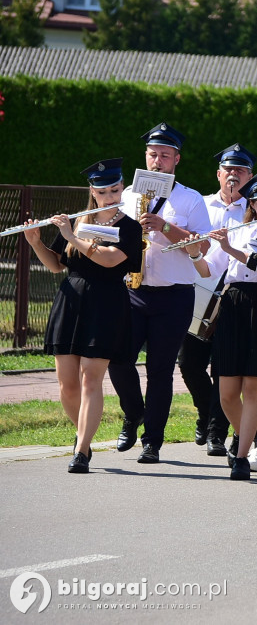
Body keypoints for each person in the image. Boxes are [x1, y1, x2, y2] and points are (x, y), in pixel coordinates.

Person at [24, 159, 142, 473]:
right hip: (72, 299)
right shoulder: (78, 219)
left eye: (115, 189)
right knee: (67, 383)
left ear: (121, 187)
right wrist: (36, 243)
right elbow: (56, 264)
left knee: (92, 377)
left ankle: (79, 451)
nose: (110, 196)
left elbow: (110, 260)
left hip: (107, 301)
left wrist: (73, 236)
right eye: (102, 191)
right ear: (92, 191)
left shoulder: (129, 227)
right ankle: (84, 441)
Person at [109, 123, 213, 464]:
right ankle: (133, 413)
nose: (157, 161)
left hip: (173, 295)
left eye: (164, 156)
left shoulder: (191, 198)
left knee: (160, 369)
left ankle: (152, 440)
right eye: (153, 155)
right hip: (133, 290)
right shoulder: (126, 196)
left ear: (176, 159)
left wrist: (165, 227)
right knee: (119, 359)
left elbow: (202, 245)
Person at [184, 171, 257, 480]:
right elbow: (209, 270)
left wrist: (230, 248)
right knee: (227, 392)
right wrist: (194, 253)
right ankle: (248, 438)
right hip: (233, 304)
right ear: (252, 205)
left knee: (253, 386)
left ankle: (242, 455)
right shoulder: (235, 229)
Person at [178, 143, 253, 457]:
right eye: (228, 170)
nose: (233, 176)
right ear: (218, 174)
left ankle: (215, 434)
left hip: (234, 298)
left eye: (240, 171)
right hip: (198, 293)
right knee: (189, 364)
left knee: (223, 370)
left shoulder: (255, 209)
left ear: (249, 176)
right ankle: (205, 412)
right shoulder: (202, 204)